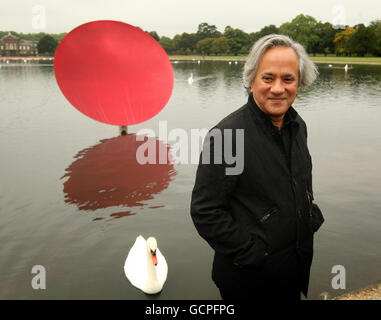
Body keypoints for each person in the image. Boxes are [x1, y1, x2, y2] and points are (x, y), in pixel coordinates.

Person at [190, 34, 325, 300]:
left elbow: (298, 183)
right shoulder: (229, 136)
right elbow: (206, 212)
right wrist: (253, 251)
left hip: (293, 266)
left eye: (288, 79)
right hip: (249, 277)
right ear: (252, 80)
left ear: (299, 82)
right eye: (268, 78)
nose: (278, 88)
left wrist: (309, 215)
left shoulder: (298, 127)